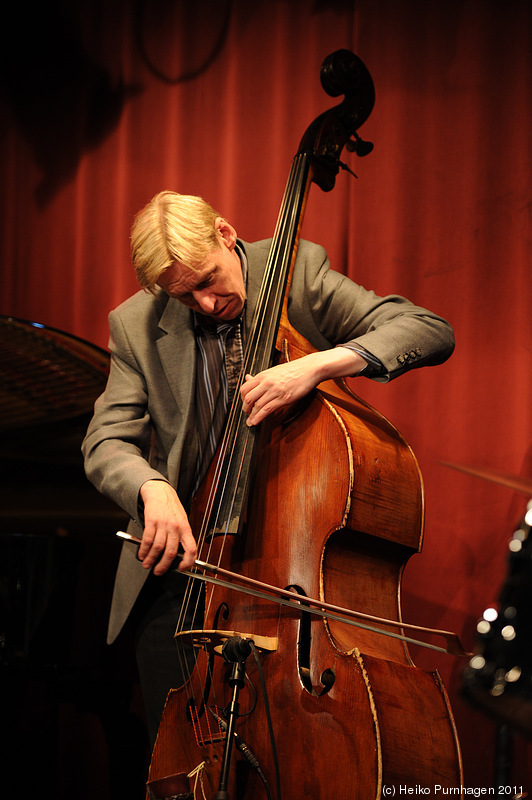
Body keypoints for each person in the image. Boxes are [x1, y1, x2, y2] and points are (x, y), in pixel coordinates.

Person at [82, 190, 454, 744]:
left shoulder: (298, 274)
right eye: (186, 297)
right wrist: (150, 487)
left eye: (209, 280)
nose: (206, 304)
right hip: (188, 569)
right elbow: (106, 439)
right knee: (182, 761)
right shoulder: (136, 323)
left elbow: (428, 329)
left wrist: (319, 365)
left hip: (289, 571)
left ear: (226, 234)